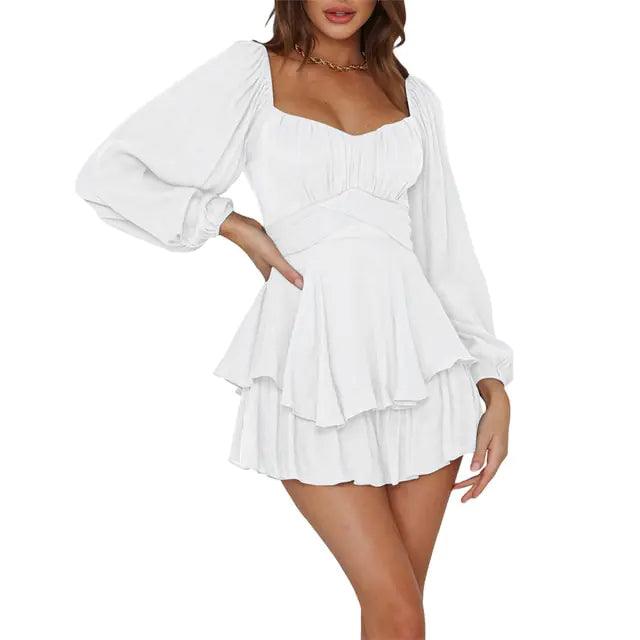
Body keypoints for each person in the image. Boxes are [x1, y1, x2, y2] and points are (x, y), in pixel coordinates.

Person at [76, 1, 513, 637]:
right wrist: (232, 224)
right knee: (397, 608)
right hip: (311, 368)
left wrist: (491, 382)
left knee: (399, 614)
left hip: (422, 372)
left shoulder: (414, 98)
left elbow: (445, 253)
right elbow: (109, 173)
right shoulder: (252, 73)